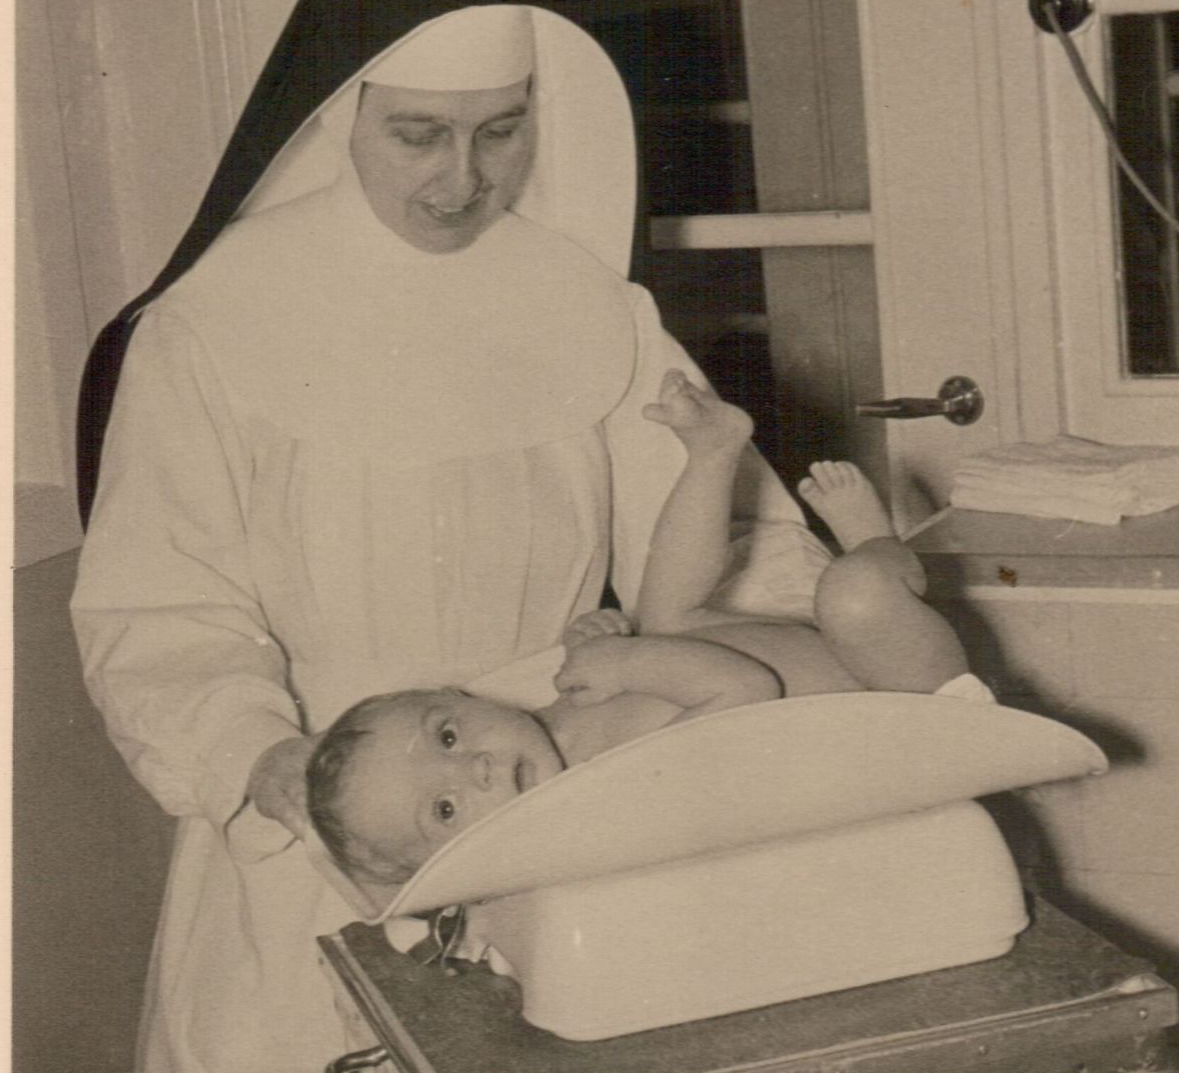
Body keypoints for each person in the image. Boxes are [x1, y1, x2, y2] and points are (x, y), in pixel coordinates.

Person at [71, 0, 843, 1073]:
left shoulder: (585, 303)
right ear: (335, 114)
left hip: (564, 793)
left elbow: (718, 538)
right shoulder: (212, 331)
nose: (462, 181)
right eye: (420, 135)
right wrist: (271, 763)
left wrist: (840, 636)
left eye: (500, 136)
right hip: (313, 823)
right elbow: (161, 609)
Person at [307, 369, 974, 898]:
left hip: (823, 652)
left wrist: (593, 641)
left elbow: (646, 667)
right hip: (907, 697)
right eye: (446, 810)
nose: (474, 767)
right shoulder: (599, 795)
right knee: (854, 596)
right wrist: (626, 663)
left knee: (662, 618)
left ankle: (713, 454)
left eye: (447, 735)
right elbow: (745, 688)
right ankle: (876, 546)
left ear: (462, 696)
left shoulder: (553, 722)